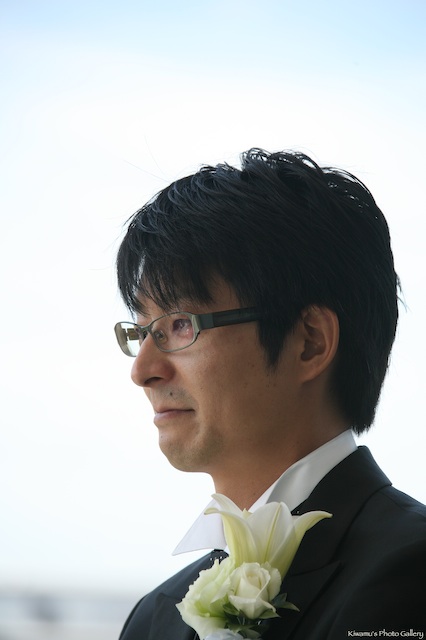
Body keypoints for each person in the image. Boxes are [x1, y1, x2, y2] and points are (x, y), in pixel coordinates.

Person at [114, 149, 426, 639]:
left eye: (180, 325)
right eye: (141, 330)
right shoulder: (156, 618)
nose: (143, 371)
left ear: (310, 342)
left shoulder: (412, 574)